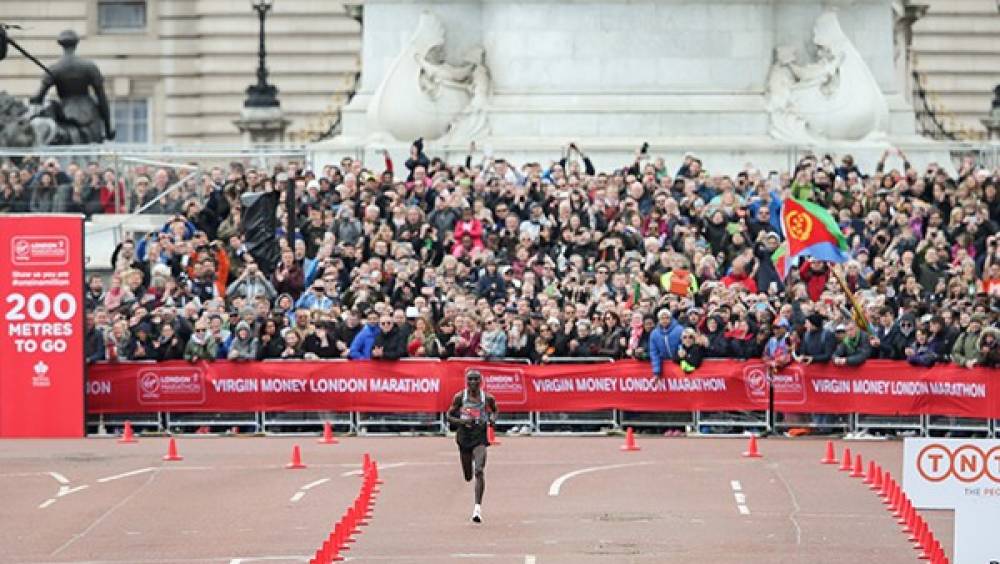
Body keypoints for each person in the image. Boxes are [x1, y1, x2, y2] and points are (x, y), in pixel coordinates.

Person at [446, 370, 497, 523]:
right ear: (466, 381)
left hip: (479, 437)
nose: (473, 382)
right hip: (464, 438)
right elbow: (449, 415)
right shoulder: (460, 397)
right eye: (470, 379)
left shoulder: (487, 398)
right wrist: (462, 422)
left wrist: (492, 419)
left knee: (479, 470)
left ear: (481, 381)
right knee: (468, 476)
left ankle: (477, 509)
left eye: (476, 379)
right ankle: (468, 475)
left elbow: (495, 411)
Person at [649, 308, 683, 378]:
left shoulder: (679, 329)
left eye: (667, 318)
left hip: (679, 363)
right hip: (664, 365)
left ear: (670, 319)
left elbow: (683, 344)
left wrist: (680, 353)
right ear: (659, 320)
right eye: (662, 318)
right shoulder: (654, 334)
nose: (664, 320)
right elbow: (654, 353)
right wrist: (656, 371)